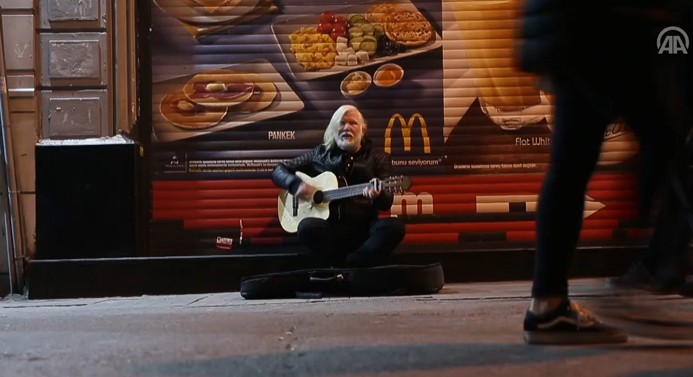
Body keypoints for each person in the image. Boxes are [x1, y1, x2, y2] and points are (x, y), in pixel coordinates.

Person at [519, 1, 692, 344]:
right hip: (605, 27)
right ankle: (643, 278)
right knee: (663, 142)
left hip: (572, 29)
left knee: (572, 162)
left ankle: (548, 304)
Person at [271, 104, 406, 268]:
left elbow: (386, 203)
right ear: (334, 128)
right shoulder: (320, 154)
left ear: (362, 130)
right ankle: (349, 265)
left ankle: (350, 262)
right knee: (306, 227)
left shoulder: (379, 158)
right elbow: (279, 170)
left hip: (364, 228)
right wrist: (295, 185)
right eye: (342, 123)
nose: (346, 128)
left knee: (394, 227)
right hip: (329, 230)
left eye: (353, 123)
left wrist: (378, 195)